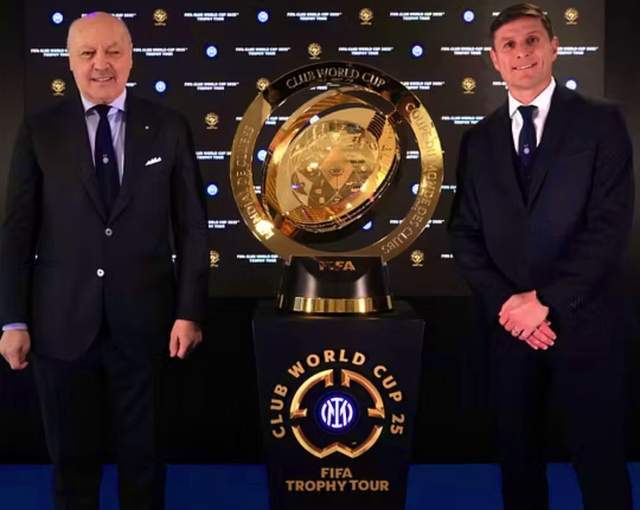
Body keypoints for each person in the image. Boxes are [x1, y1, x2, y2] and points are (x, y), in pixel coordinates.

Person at [0, 12, 208, 509]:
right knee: (71, 465)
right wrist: (13, 320)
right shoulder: (40, 130)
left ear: (131, 58)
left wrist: (189, 311)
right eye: (88, 53)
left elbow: (192, 229)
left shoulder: (169, 127)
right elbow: (17, 233)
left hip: (148, 326)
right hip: (59, 327)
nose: (101, 64)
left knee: (144, 462)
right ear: (70, 62)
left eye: (113, 51)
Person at [448, 3, 634, 509]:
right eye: (509, 45)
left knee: (601, 465)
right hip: (510, 331)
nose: (522, 53)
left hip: (586, 326)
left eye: (532, 40)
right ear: (494, 59)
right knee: (518, 466)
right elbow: (464, 233)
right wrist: (510, 305)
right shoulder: (478, 140)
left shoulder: (601, 122)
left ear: (554, 47)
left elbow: (609, 227)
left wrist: (545, 301)